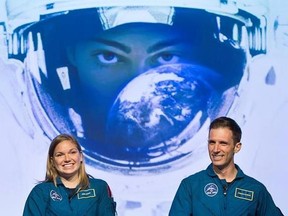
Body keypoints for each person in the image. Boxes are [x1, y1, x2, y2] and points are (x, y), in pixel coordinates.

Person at [168, 116, 283, 216]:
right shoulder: (191, 186)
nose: (216, 149)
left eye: (223, 143)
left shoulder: (255, 189)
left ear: (237, 147)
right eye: (212, 142)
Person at [23, 134, 117, 216]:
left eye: (72, 152)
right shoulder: (41, 192)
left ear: (81, 156)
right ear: (52, 161)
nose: (67, 159)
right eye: (60, 155)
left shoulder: (99, 188)